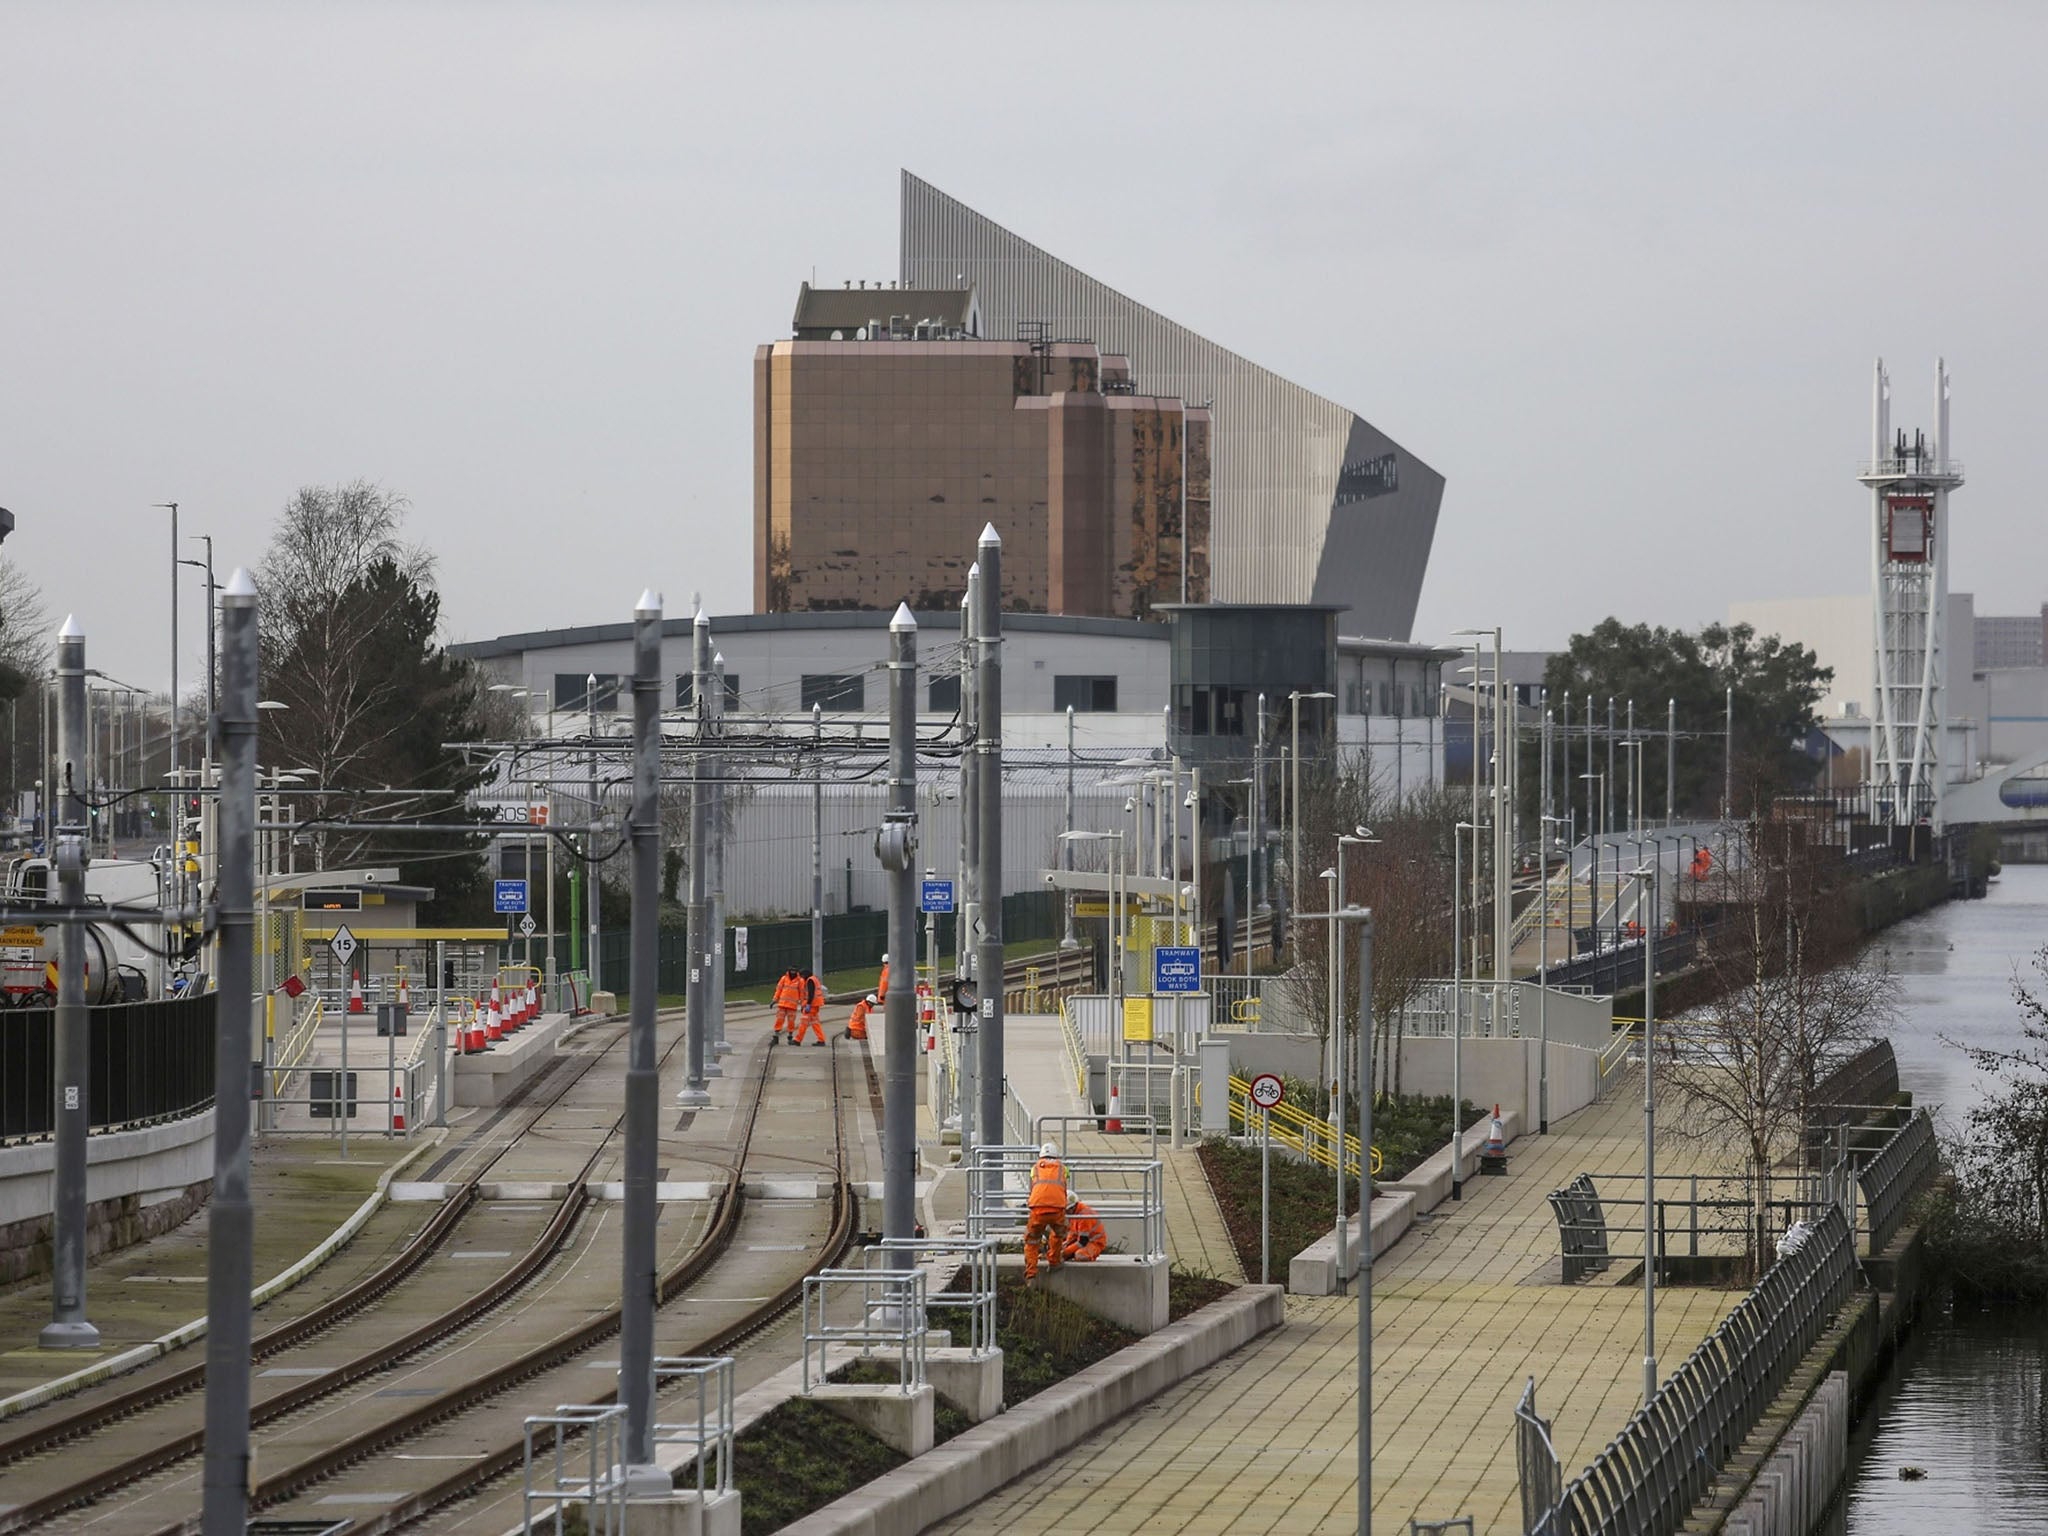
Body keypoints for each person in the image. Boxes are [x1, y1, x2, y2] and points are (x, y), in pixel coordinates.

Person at [1023, 1142, 1069, 1280]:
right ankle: (1054, 1262)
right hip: (1057, 1209)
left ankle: (1031, 1274)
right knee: (1057, 1234)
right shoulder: (1063, 1168)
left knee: (1032, 1240)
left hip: (1037, 1209)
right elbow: (1064, 1185)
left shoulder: (1035, 1168)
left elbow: (1034, 1186)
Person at [1061, 1194, 1107, 1263]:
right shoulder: (1074, 1214)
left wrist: (1065, 1252)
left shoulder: (1084, 1215)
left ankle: (1088, 1256)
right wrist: (1066, 1244)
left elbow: (1083, 1241)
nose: (1065, 1213)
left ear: (1072, 1207)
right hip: (1083, 1241)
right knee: (1062, 1250)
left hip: (1095, 1243)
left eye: (1066, 1210)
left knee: (1080, 1255)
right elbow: (1073, 1233)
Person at [791, 971, 827, 1045]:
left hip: (812, 1005)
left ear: (804, 975)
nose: (801, 978)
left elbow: (811, 994)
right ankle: (821, 1040)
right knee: (815, 1023)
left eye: (802, 976)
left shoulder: (810, 980)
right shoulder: (814, 979)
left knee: (803, 1023)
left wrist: (808, 1005)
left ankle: (797, 1040)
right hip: (815, 1004)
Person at [771, 967, 801, 1043]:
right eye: (791, 970)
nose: (793, 972)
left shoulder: (800, 981)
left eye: (794, 970)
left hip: (792, 1005)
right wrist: (774, 1000)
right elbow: (779, 989)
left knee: (791, 1022)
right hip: (782, 1004)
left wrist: (803, 1004)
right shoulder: (784, 979)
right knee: (779, 1020)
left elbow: (802, 993)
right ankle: (776, 1035)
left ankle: (790, 1036)